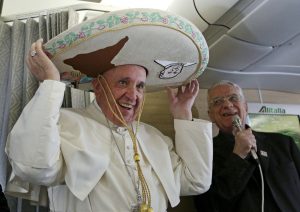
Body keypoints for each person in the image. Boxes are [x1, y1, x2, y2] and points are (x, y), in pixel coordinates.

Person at [5, 8, 212, 212]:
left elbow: (196, 182)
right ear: (98, 86)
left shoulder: (155, 137)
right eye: (123, 82)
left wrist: (182, 114)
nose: (133, 95)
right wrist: (51, 82)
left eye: (140, 86)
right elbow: (31, 166)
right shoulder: (63, 124)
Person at [194, 80, 300, 212]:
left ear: (246, 107)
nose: (227, 104)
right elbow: (210, 206)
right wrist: (238, 156)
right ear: (211, 116)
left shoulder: (283, 143)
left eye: (233, 98)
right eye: (217, 102)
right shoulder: (204, 155)